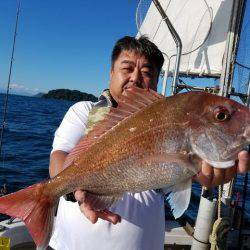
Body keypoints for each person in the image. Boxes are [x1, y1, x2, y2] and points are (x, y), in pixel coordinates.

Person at [49, 36, 250, 250]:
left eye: (147, 72)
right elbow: (59, 158)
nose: (135, 78)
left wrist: (205, 175)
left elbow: (181, 176)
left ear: (156, 80)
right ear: (111, 73)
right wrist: (71, 188)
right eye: (127, 68)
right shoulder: (83, 111)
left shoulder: (172, 119)